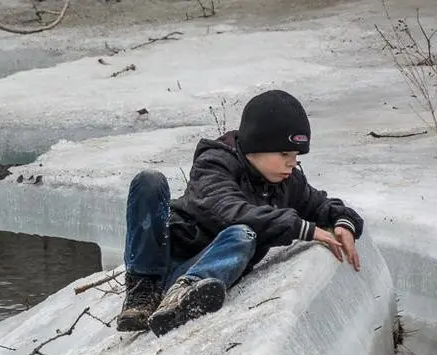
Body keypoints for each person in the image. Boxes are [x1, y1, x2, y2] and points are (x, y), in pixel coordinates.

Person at [117, 89, 365, 336]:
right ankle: (142, 292)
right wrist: (303, 228)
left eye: (296, 156)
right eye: (284, 154)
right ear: (257, 146)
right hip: (167, 258)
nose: (292, 163)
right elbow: (229, 211)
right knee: (149, 182)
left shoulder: (288, 181)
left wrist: (343, 222)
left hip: (203, 275)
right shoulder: (214, 165)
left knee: (242, 237)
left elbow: (321, 204)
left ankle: (186, 293)